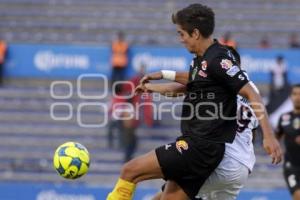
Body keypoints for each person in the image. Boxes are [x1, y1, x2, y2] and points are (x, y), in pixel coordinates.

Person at [106, 4, 281, 200]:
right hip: (233, 161)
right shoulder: (205, 62)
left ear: (195, 33)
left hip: (206, 149)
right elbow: (190, 82)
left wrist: (270, 136)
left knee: (130, 170)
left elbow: (249, 93)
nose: (180, 39)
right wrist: (156, 83)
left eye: (182, 34)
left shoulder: (218, 61)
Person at [276, 84, 300, 200]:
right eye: (295, 94)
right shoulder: (284, 117)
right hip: (291, 166)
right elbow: (276, 138)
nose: (297, 97)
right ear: (291, 96)